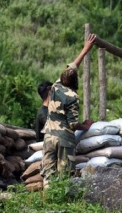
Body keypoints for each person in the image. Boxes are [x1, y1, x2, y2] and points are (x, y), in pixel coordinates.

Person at [41, 34, 97, 189]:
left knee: (48, 172)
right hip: (64, 140)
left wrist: (85, 48)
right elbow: (73, 124)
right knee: (65, 175)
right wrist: (85, 126)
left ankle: (47, 201)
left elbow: (71, 67)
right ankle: (61, 203)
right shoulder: (73, 97)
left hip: (49, 137)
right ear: (75, 82)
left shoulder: (55, 86)